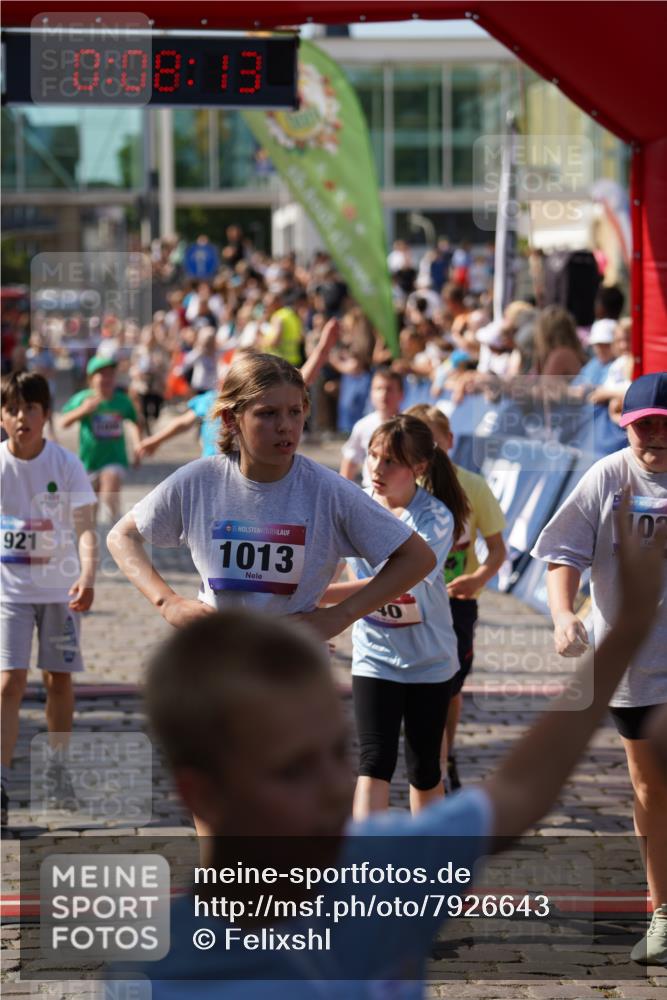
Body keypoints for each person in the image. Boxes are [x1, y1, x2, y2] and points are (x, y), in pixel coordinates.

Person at [131, 492, 665, 995]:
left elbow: (521, 789)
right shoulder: (172, 973)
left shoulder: (381, 865)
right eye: (292, 770)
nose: (335, 785)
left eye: (338, 752)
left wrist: (625, 632)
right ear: (203, 795)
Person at [107, 352, 435, 645]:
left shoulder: (329, 490)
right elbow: (122, 536)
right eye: (267, 414)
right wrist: (167, 602)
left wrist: (340, 615)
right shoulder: (199, 480)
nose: (285, 426)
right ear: (230, 419)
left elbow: (418, 557)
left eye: (295, 412)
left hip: (292, 667)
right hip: (217, 660)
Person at [532, 371, 667, 966]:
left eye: (666, 427)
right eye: (644, 428)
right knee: (649, 787)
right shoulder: (609, 476)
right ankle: (662, 911)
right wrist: (563, 615)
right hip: (632, 661)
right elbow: (562, 551)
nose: (656, 439)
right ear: (626, 427)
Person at [324, 415, 469, 818]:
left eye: (390, 461)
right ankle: (366, 871)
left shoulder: (435, 519)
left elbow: (395, 585)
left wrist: (323, 602)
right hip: (375, 658)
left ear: (419, 468)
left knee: (425, 771)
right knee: (373, 763)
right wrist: (313, 596)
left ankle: (429, 870)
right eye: (372, 456)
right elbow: (331, 563)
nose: (376, 468)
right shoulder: (357, 504)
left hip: (429, 663)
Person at [0, 372, 98, 827]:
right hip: (11, 593)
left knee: (58, 680)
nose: (23, 417)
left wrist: (88, 575)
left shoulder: (66, 464)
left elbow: (84, 530)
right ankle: (1, 777)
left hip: (59, 591)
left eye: (32, 408)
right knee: (8, 683)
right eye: (14, 408)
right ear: (3, 417)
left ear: (45, 415)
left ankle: (57, 770)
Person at [407, 405, 506, 790]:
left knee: (449, 686)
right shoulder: (400, 488)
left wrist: (477, 576)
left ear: (450, 441)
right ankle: (432, 758)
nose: (430, 452)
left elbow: (498, 549)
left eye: (435, 441)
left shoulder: (473, 486)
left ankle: (443, 758)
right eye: (420, 443)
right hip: (411, 602)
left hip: (457, 601)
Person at [135, 320, 341, 463]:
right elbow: (182, 423)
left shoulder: (264, 398)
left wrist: (322, 351)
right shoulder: (210, 400)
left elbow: (299, 382)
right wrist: (154, 441)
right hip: (214, 472)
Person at [60, 356, 141, 524]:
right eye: (102, 374)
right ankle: (93, 538)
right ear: (91, 379)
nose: (107, 378)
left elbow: (135, 422)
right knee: (90, 511)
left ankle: (116, 527)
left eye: (111, 374)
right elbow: (63, 422)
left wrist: (137, 446)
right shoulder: (83, 398)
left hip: (115, 459)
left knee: (110, 484)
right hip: (89, 462)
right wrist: (83, 410)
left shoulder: (122, 401)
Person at [339, 368, 404, 486]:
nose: (383, 394)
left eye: (389, 389)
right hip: (371, 493)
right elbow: (350, 459)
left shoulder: (409, 426)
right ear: (371, 393)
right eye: (378, 388)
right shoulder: (363, 425)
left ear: (401, 394)